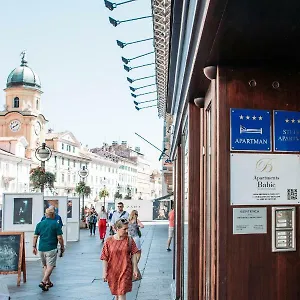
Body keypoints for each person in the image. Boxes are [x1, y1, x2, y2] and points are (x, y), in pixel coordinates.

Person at [101, 219, 140, 300]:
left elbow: (133, 254)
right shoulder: (109, 241)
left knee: (122, 292)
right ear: (117, 229)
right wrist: (104, 272)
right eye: (124, 229)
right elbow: (104, 257)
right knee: (117, 294)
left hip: (126, 270)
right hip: (113, 272)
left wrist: (135, 269)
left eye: (127, 229)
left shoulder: (129, 240)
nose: (127, 231)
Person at [33, 207, 65, 291]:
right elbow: (60, 238)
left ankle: (48, 282)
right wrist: (62, 247)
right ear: (53, 215)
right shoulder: (55, 224)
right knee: (50, 266)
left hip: (41, 248)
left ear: (45, 214)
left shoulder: (39, 224)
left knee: (45, 266)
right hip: (51, 248)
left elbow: (35, 236)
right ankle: (43, 281)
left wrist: (34, 246)